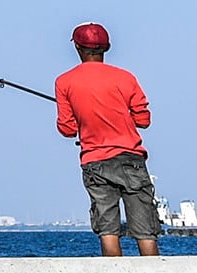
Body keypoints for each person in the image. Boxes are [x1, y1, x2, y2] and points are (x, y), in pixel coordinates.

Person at [56, 22, 159, 259]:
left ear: (78, 48)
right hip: (130, 159)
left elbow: (67, 128)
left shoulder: (64, 82)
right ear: (107, 47)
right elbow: (144, 119)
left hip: (94, 162)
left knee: (108, 230)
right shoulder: (126, 78)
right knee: (146, 230)